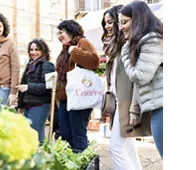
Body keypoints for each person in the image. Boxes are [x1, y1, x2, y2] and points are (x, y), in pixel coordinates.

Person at [101, 5, 152, 170]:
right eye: (105, 24)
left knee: (115, 147)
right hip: (119, 100)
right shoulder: (116, 45)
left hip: (128, 101)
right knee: (128, 147)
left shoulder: (131, 43)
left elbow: (136, 77)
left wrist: (133, 107)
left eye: (110, 22)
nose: (107, 26)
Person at [119, 1, 163, 158]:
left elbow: (140, 77)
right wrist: (135, 110)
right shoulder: (146, 41)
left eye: (124, 22)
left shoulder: (152, 40)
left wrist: (125, 53)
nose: (121, 27)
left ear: (137, 19)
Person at [55, 20, 100, 153]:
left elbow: (94, 61)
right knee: (65, 135)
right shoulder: (64, 49)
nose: (58, 36)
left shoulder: (82, 43)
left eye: (61, 32)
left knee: (78, 136)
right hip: (65, 100)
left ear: (71, 31)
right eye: (57, 33)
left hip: (79, 98)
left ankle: (82, 163)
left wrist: (74, 51)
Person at [16, 39, 55, 144]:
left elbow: (48, 87)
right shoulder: (30, 65)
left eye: (37, 50)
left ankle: (40, 157)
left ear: (43, 51)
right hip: (29, 104)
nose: (33, 52)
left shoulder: (47, 65)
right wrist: (20, 106)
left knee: (35, 135)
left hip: (40, 104)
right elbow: (22, 85)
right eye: (31, 50)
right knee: (29, 134)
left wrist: (29, 87)